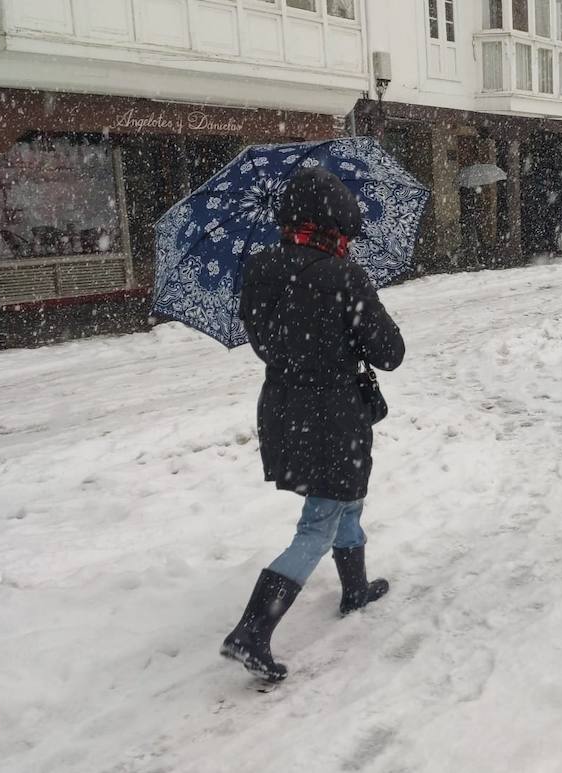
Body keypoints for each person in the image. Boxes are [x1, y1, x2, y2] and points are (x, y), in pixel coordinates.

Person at [221, 167, 406, 682]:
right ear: (336, 221)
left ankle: (354, 590)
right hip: (335, 415)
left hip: (282, 410)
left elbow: (266, 340)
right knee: (319, 522)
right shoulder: (344, 275)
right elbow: (389, 353)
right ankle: (252, 632)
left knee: (344, 497)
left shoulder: (260, 268)